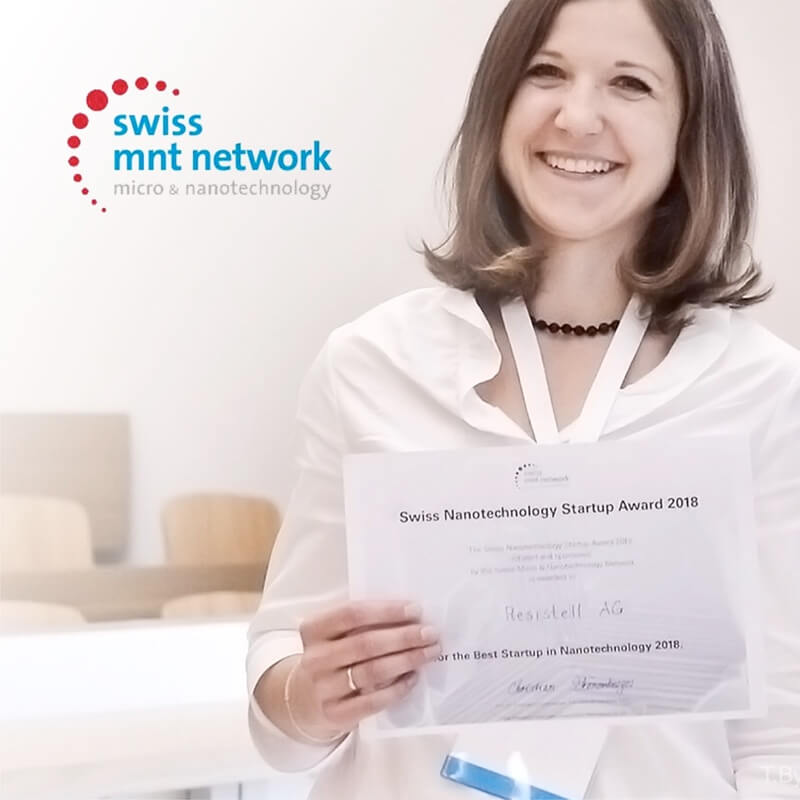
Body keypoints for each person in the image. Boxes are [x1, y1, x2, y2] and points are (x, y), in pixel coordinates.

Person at [246, 0, 800, 796]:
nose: (577, 116)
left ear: (691, 129)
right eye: (546, 72)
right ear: (499, 103)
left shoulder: (764, 390)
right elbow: (281, 704)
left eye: (631, 83)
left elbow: (782, 737)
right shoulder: (369, 365)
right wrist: (309, 696)